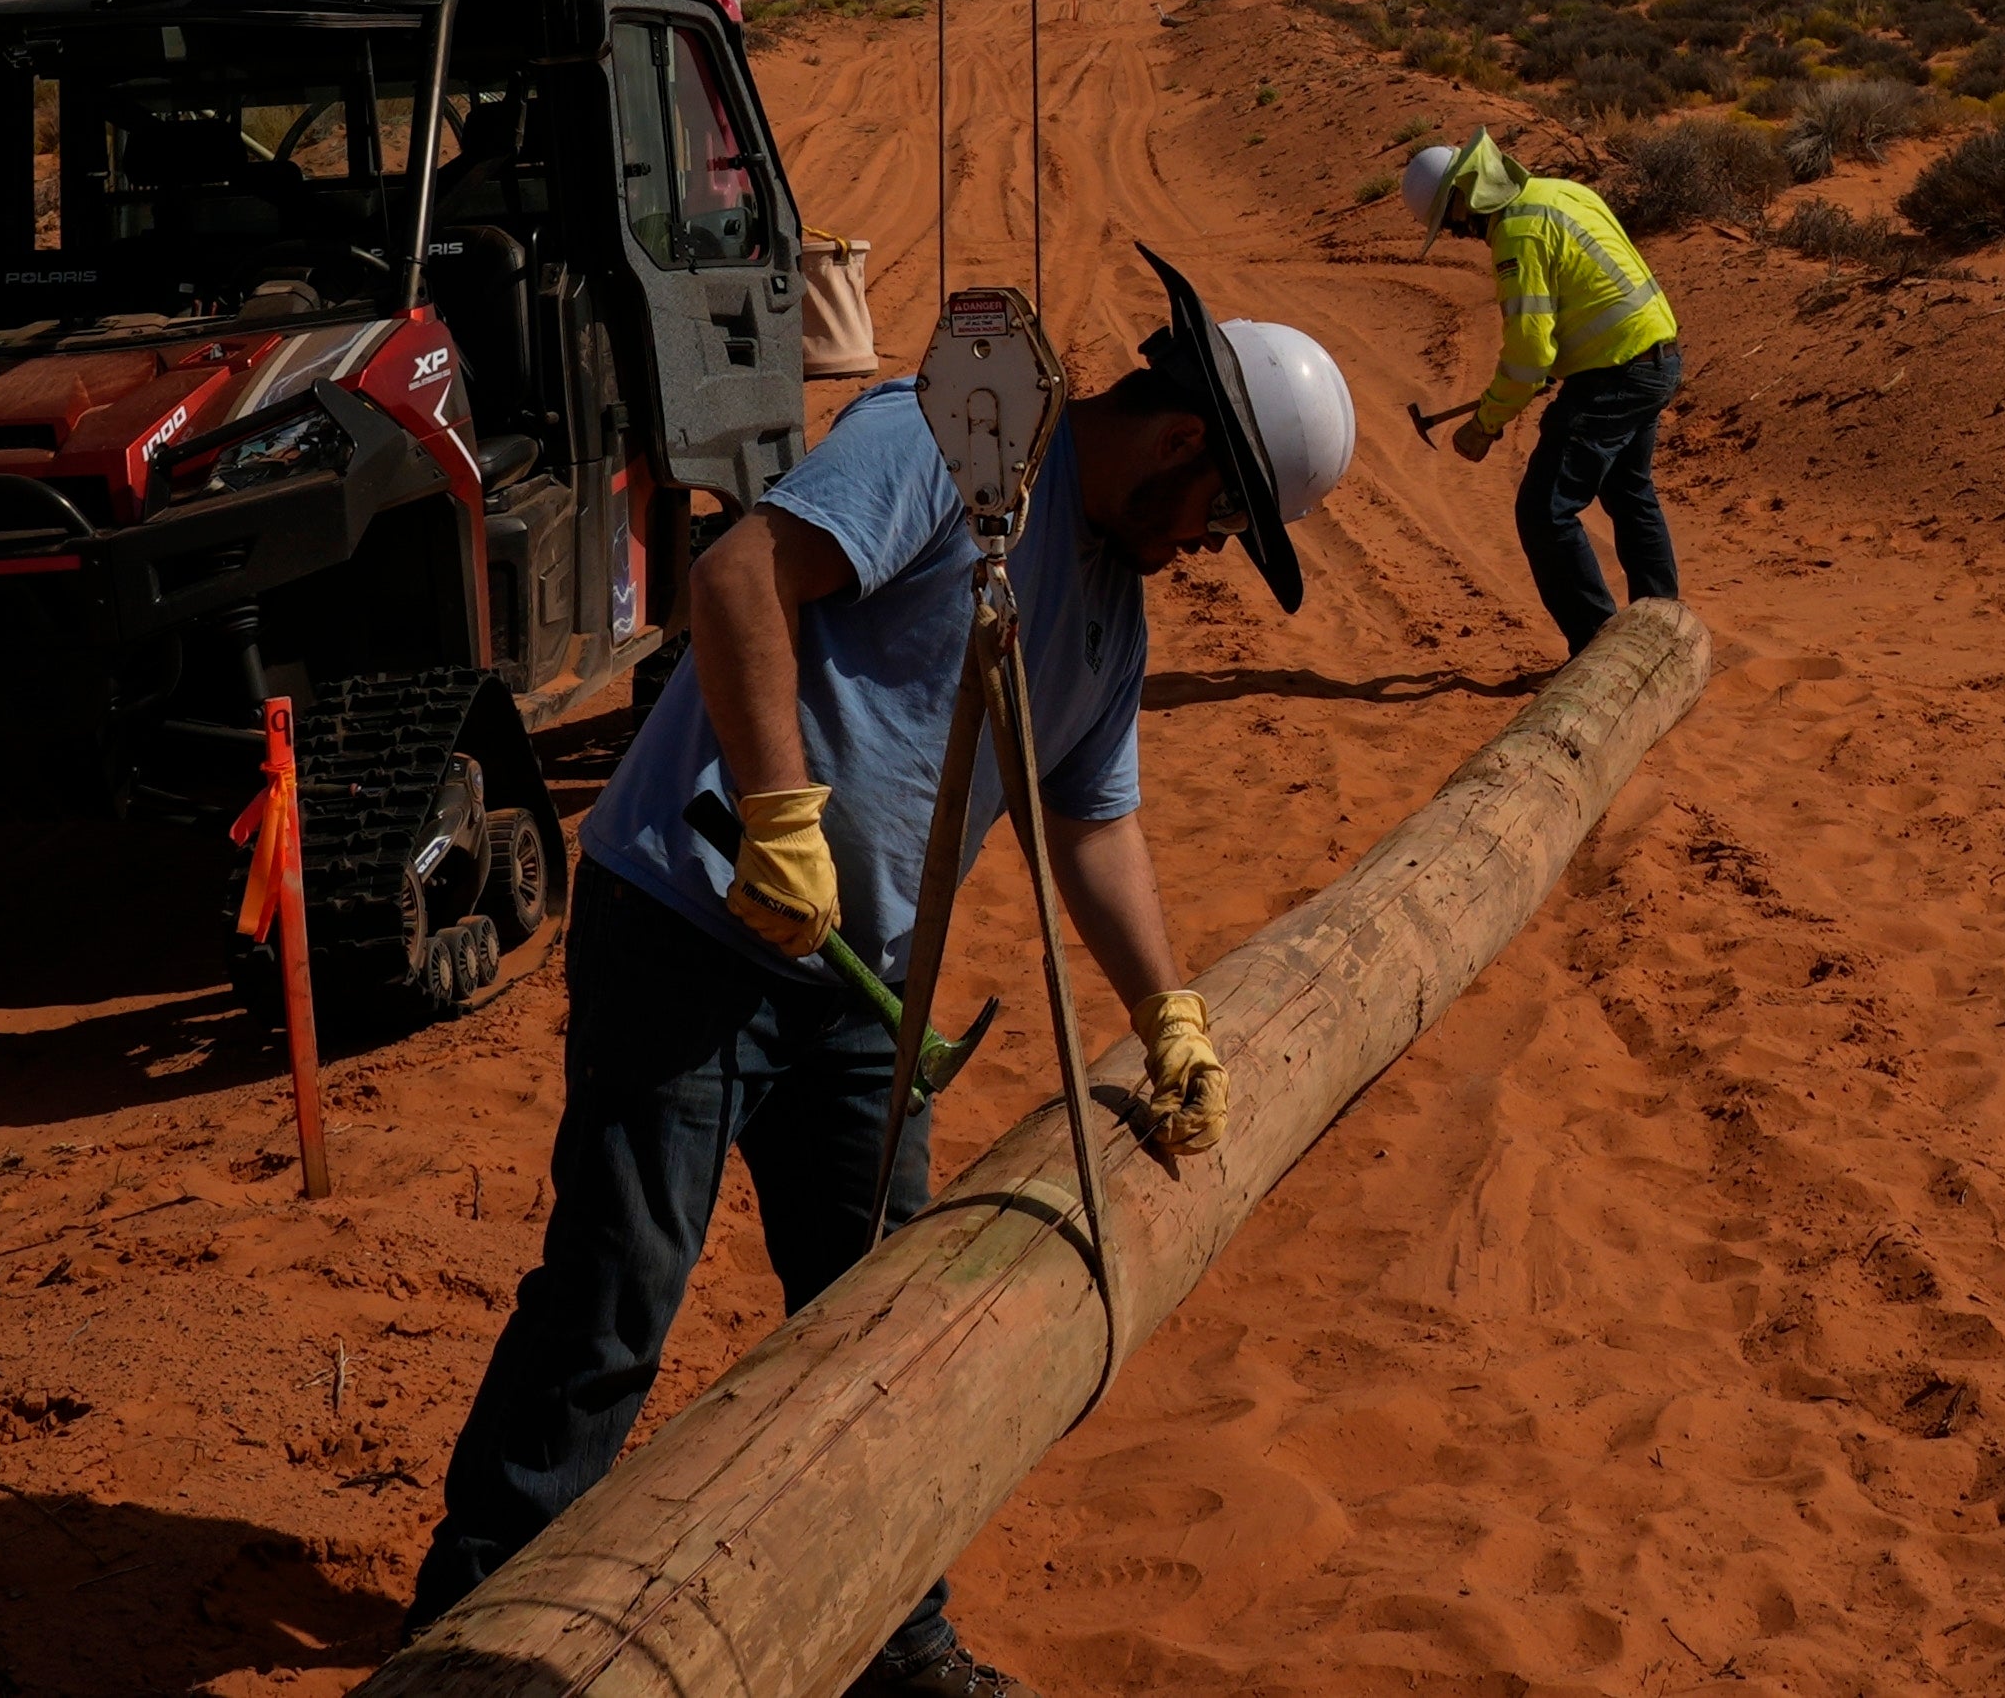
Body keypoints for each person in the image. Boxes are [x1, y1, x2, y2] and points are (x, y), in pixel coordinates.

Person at [408, 253, 1356, 1690]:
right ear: (1180, 445)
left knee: (879, 1318)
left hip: (868, 992)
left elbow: (1093, 825)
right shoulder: (957, 442)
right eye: (1224, 518)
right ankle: (464, 1634)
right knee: (619, 1289)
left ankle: (894, 1640)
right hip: (688, 918)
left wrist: (1169, 1010)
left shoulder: (1110, 610)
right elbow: (740, 577)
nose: (1205, 547)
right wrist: (780, 816)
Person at [1401, 132, 1682, 657]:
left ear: (1465, 196)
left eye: (1450, 220)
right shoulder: (1560, 192)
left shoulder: (1517, 234)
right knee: (1628, 492)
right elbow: (1590, 286)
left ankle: (1601, 652)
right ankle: (1662, 636)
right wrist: (1563, 357)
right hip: (1656, 357)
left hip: (1615, 376)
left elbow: (1528, 356)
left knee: (1544, 511)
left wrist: (1486, 422)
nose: (1458, 233)